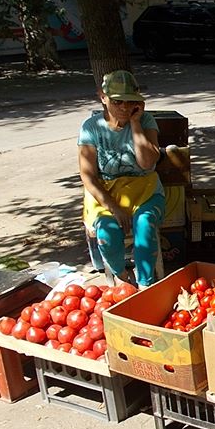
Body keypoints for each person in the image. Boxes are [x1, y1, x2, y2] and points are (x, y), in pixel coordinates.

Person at [78, 70, 165, 288]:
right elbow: (88, 176)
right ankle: (122, 277)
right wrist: (114, 207)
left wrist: (136, 124)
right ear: (103, 97)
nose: (125, 108)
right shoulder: (91, 128)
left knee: (145, 224)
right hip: (105, 193)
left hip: (146, 191)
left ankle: (146, 283)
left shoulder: (146, 120)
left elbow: (147, 163)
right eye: (118, 102)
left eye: (130, 102)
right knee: (108, 233)